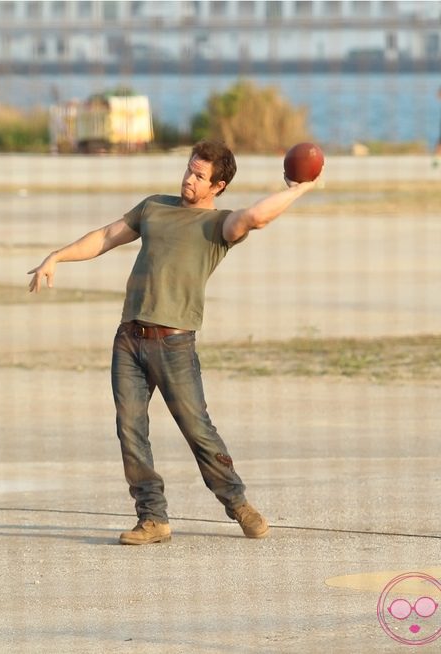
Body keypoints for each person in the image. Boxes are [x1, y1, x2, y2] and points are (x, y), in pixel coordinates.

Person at [27, 140, 319, 545]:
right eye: (188, 169)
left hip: (174, 344)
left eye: (199, 176)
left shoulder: (218, 226)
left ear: (217, 186)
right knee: (129, 428)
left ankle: (237, 503)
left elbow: (255, 217)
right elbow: (107, 236)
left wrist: (298, 188)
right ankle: (152, 518)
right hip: (129, 338)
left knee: (197, 430)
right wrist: (56, 257)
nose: (188, 179)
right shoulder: (154, 207)